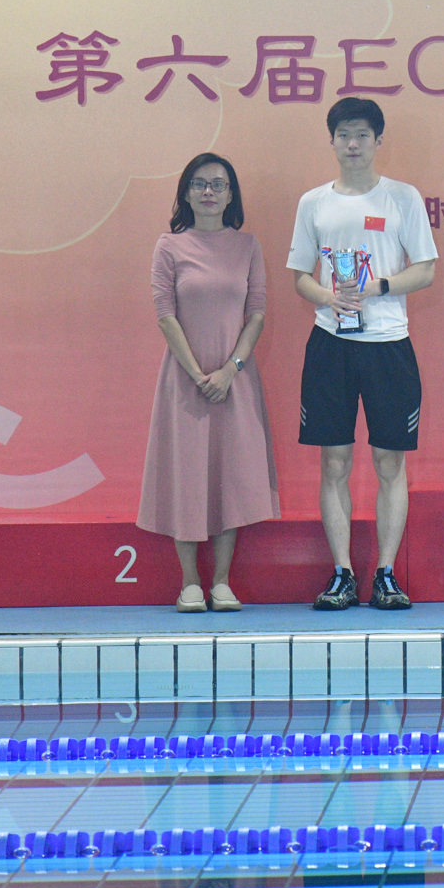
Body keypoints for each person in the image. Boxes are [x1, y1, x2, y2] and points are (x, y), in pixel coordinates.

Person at [288, 98, 440, 612]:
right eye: (344, 135)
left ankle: (386, 575)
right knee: (333, 461)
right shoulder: (313, 202)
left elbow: (425, 269)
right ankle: (342, 575)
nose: (352, 144)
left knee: (388, 462)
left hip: (388, 345)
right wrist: (328, 297)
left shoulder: (401, 197)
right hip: (329, 345)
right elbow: (300, 276)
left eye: (362, 135)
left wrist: (378, 287)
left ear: (378, 141)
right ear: (332, 141)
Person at [137, 153, 279, 613]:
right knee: (187, 475)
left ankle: (221, 581)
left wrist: (229, 369)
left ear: (231, 194)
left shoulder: (248, 246)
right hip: (185, 382)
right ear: (186, 192)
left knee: (229, 476)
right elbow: (165, 314)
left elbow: (256, 313)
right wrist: (197, 374)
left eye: (218, 184)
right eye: (199, 184)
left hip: (235, 379)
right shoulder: (169, 246)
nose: (209, 192)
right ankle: (189, 583)